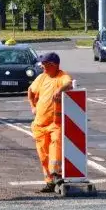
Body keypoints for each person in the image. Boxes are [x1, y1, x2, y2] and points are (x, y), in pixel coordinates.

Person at [27, 52, 73, 193]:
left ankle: (57, 174)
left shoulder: (61, 76)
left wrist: (60, 89)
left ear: (54, 65)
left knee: (56, 146)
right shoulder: (41, 78)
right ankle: (49, 182)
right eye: (43, 65)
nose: (43, 67)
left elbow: (69, 83)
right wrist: (33, 107)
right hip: (40, 124)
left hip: (55, 124)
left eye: (46, 65)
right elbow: (30, 91)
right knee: (43, 154)